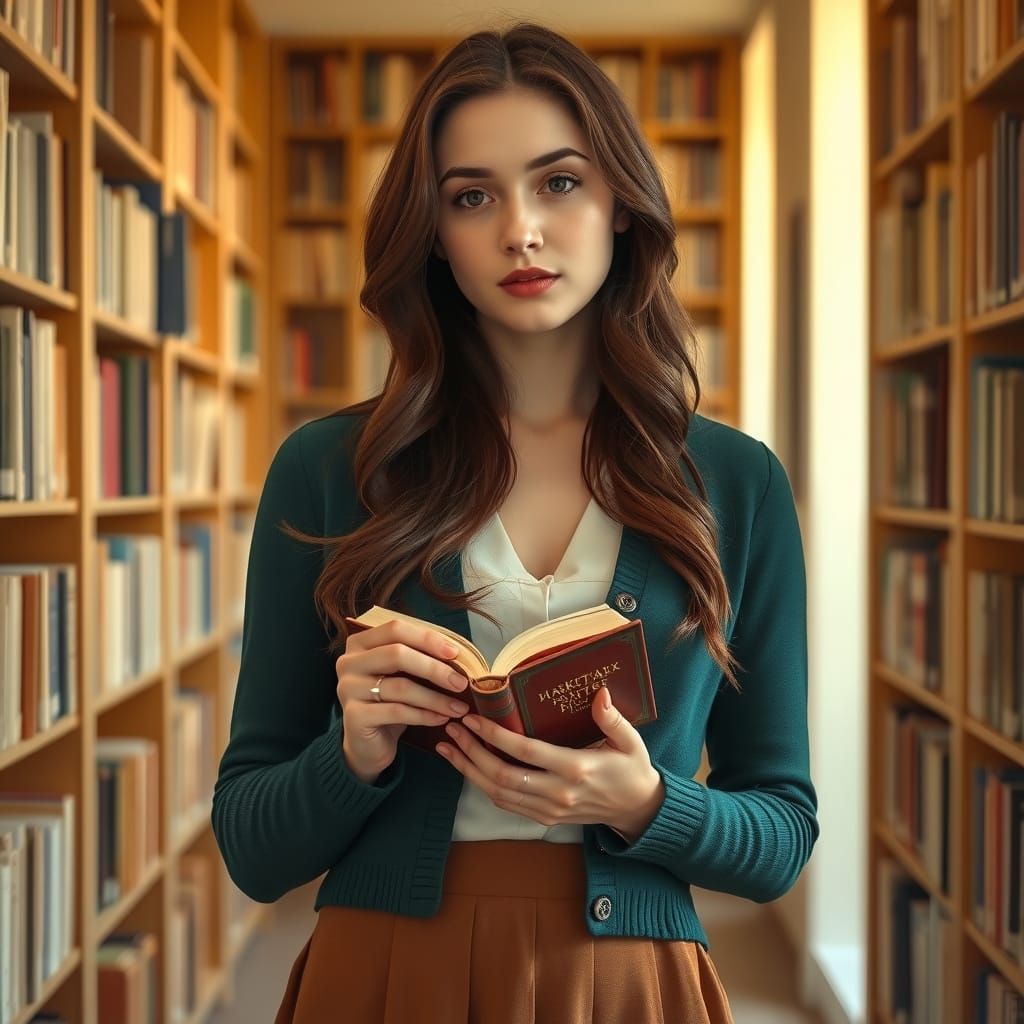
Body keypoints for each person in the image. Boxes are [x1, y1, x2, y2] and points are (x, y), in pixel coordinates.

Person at [211, 20, 819, 1024]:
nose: (520, 231)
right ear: (433, 230)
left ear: (621, 203)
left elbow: (782, 835)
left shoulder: (736, 482)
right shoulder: (325, 469)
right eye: (471, 196)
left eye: (559, 183)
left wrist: (643, 802)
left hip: (628, 986)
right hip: (385, 976)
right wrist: (351, 753)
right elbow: (249, 843)